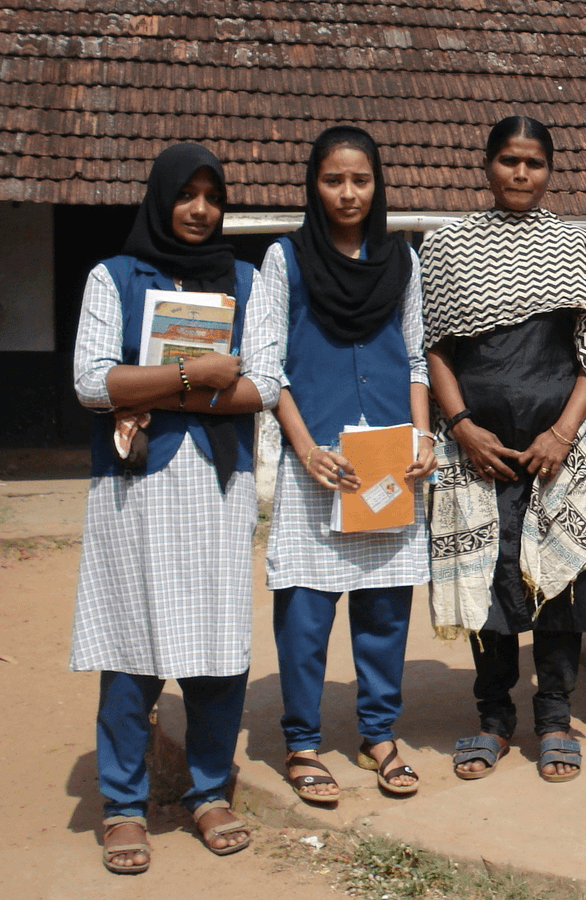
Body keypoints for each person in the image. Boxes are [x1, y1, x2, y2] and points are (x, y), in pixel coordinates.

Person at [422, 116, 586, 784]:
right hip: (477, 456)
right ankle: (491, 717)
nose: (520, 173)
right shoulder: (448, 249)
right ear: (486, 165)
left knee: (558, 582)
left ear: (550, 170)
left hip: (558, 454)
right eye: (509, 160)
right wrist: (460, 425)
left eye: (534, 163)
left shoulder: (575, 251)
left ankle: (555, 715)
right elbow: (432, 348)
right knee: (487, 582)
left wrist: (564, 432)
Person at [70, 143, 261, 873]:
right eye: (187, 194)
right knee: (129, 644)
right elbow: (91, 382)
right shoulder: (112, 279)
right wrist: (196, 374)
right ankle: (124, 805)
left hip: (217, 485)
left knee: (217, 646)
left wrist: (154, 385)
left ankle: (209, 791)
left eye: (213, 196)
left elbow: (262, 388)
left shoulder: (245, 281)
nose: (200, 209)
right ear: (161, 198)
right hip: (133, 488)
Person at [247, 125, 435, 803]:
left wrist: (422, 437)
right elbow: (265, 367)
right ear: (313, 184)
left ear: (378, 183)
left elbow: (415, 357)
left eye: (361, 179)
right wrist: (303, 448)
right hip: (316, 462)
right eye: (334, 179)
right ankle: (301, 743)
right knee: (305, 607)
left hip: (386, 460)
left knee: (385, 606)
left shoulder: (403, 262)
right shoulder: (285, 261)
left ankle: (378, 734)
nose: (349, 193)